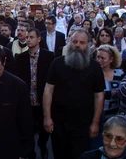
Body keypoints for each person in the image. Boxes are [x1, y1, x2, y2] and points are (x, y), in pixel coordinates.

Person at [43, 28, 105, 158]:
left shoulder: (95, 67)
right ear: (69, 42)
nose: (77, 45)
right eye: (75, 41)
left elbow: (99, 95)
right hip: (58, 123)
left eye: (82, 43)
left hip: (83, 124)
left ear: (88, 45)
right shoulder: (57, 63)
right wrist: (47, 117)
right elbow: (48, 90)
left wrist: (95, 122)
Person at [15, 28, 55, 159]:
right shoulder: (20, 58)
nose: (28, 40)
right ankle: (30, 153)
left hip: (42, 99)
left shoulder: (49, 56)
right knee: (28, 130)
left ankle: (43, 147)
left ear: (39, 39)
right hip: (27, 101)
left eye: (31, 37)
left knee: (44, 130)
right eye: (27, 37)